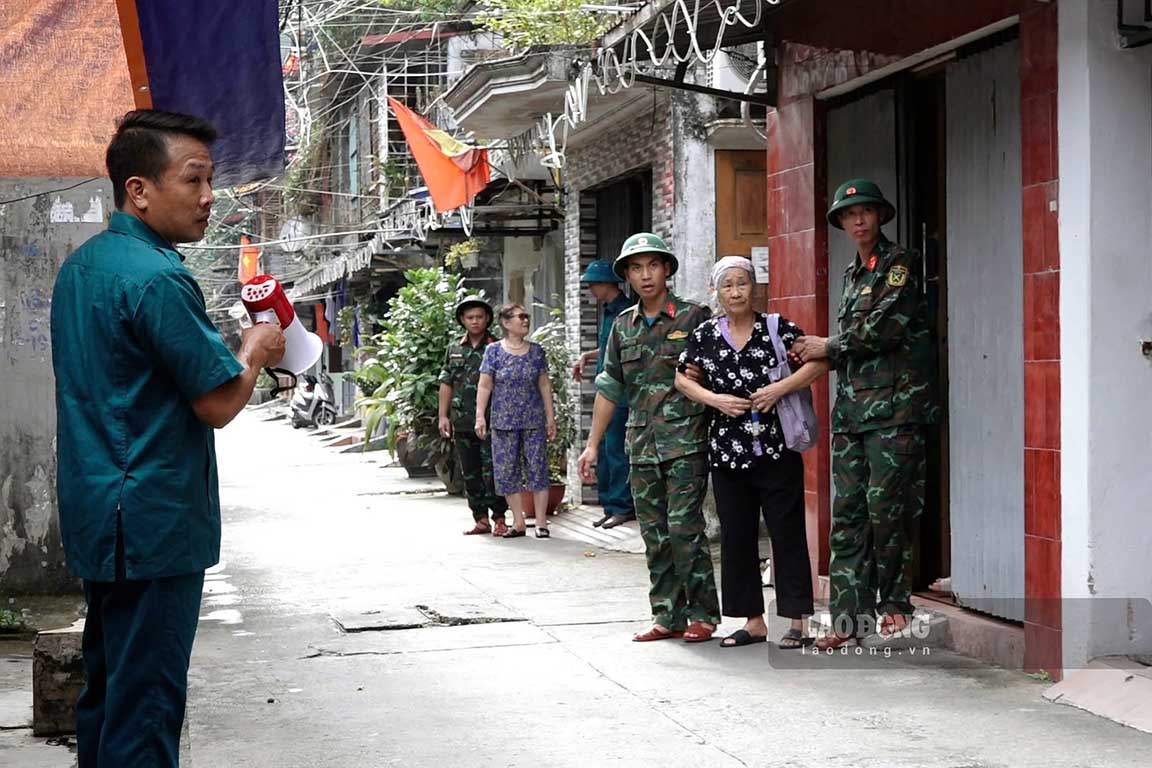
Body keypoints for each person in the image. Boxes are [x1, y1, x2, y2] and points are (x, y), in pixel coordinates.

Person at [50, 110, 286, 767]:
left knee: (111, 692)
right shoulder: (157, 278)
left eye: (210, 180)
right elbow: (217, 402)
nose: (208, 197)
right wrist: (255, 348)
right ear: (140, 189)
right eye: (194, 180)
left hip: (101, 514)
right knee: (147, 708)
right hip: (153, 519)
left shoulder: (84, 268)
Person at [791, 179, 937, 649]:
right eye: (849, 215)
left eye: (866, 212)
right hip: (853, 413)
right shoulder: (852, 276)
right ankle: (847, 619)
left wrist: (828, 345)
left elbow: (886, 328)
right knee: (849, 515)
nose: (858, 221)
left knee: (888, 511)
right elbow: (851, 343)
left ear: (880, 216)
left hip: (895, 410)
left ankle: (894, 603)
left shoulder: (901, 265)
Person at [674, 257, 827, 648]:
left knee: (787, 533)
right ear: (717, 292)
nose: (736, 292)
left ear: (755, 288)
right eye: (728, 286)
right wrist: (716, 400)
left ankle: (797, 623)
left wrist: (781, 388)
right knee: (737, 537)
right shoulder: (706, 334)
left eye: (742, 283)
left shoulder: (775, 328)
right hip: (727, 453)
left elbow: (820, 359)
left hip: (776, 450)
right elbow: (682, 378)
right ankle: (753, 621)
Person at [578, 232, 721, 643]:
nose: (645, 275)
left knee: (683, 530)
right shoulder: (622, 326)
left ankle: (703, 615)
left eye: (653, 265)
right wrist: (592, 445)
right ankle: (666, 614)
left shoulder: (694, 317)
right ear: (627, 275)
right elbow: (610, 388)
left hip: (686, 442)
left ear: (667, 269)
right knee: (654, 534)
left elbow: (722, 369)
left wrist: (703, 375)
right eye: (636, 268)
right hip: (641, 445)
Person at [475, 303, 558, 538]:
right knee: (506, 471)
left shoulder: (536, 351)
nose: (525, 320)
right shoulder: (493, 351)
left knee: (538, 468)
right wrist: (480, 415)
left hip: (533, 420)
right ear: (506, 322)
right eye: (520, 317)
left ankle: (541, 522)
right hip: (503, 421)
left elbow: (544, 384)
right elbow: (485, 384)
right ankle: (518, 521)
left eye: (526, 317)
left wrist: (550, 417)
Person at [572, 260, 636, 529]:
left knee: (616, 451)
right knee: (605, 451)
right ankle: (610, 505)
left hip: (619, 393)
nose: (590, 290)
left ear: (607, 284)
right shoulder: (609, 311)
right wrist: (588, 355)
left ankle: (622, 506)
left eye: (593, 284)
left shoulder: (626, 311)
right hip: (605, 390)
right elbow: (608, 348)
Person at [438, 296, 510, 536]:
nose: (475, 321)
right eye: (470, 317)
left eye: (479, 317)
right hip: (462, 420)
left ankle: (500, 518)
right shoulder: (455, 348)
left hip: (493, 419)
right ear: (462, 320)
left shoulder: (498, 347)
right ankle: (480, 518)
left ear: (487, 318)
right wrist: (443, 416)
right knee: (470, 471)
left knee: (494, 471)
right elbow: (446, 383)